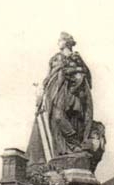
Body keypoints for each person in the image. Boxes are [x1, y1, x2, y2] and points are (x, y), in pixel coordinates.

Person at [33, 33, 96, 162]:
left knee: (69, 118)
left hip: (72, 92)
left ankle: (75, 145)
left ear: (66, 42)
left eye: (60, 40)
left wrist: (72, 72)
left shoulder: (75, 57)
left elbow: (86, 73)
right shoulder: (55, 58)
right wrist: (41, 92)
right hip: (55, 91)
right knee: (56, 118)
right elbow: (48, 76)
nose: (58, 42)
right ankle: (66, 148)